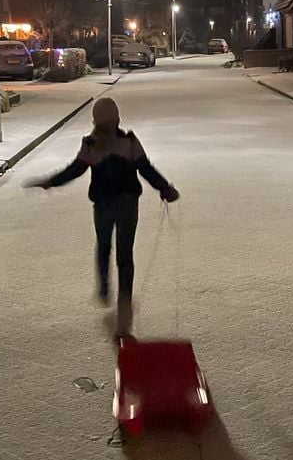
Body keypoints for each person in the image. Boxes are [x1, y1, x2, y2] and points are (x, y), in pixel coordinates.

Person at [26, 98, 180, 335]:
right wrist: (165, 188)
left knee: (104, 245)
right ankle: (124, 304)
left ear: (95, 121)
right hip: (128, 203)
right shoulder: (129, 142)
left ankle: (105, 287)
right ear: (118, 119)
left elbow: (75, 170)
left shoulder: (91, 145)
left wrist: (51, 181)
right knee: (125, 254)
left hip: (103, 204)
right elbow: (145, 168)